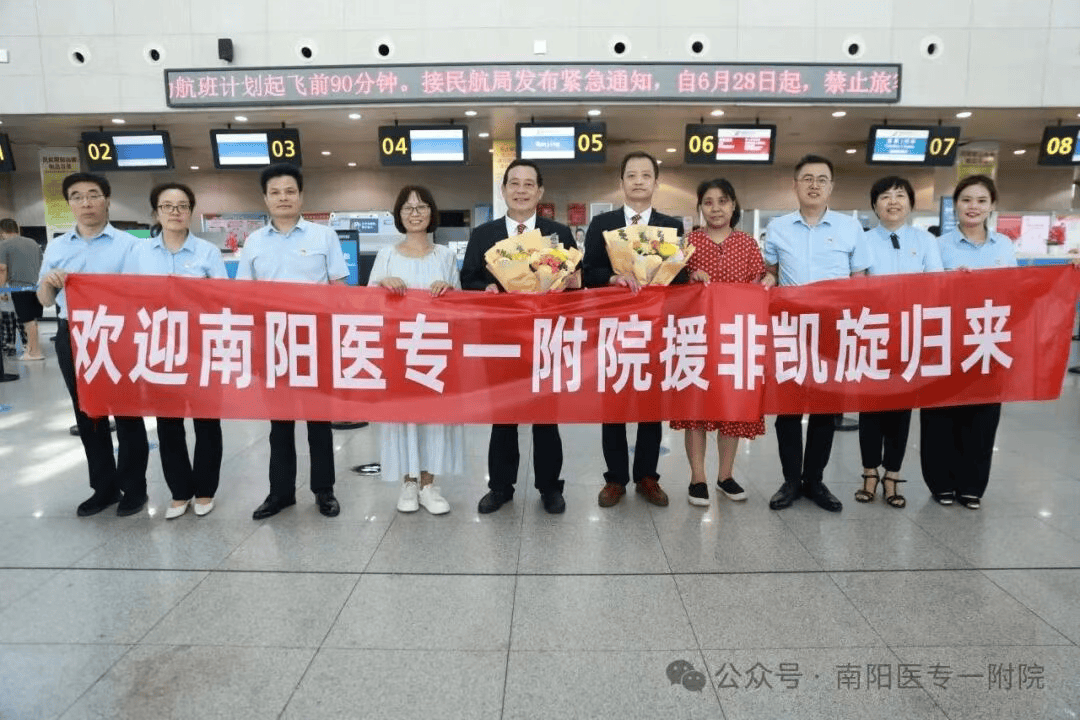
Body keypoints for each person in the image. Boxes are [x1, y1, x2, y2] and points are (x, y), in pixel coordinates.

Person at [460, 158, 579, 515]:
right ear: (504, 190)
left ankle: (550, 488)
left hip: (546, 338)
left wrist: (569, 283)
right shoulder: (484, 234)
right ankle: (500, 487)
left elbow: (576, 284)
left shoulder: (558, 234)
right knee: (503, 417)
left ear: (540, 192)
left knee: (546, 417)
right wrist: (485, 288)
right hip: (501, 339)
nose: (521, 190)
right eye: (514, 183)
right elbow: (468, 278)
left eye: (529, 184)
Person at [236, 163, 348, 520]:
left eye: (289, 191)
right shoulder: (254, 241)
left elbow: (339, 288)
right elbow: (244, 296)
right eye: (275, 192)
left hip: (316, 341)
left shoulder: (324, 236)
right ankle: (280, 493)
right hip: (272, 343)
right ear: (265, 199)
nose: (283, 198)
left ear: (301, 196)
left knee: (319, 421)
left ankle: (324, 490)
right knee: (279, 424)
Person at [36, 172, 150, 517]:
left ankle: (134, 489)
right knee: (88, 413)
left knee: (127, 413)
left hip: (119, 334)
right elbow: (44, 299)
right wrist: (50, 284)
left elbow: (142, 294)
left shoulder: (130, 245)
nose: (86, 203)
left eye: (93, 195)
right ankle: (104, 488)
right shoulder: (57, 247)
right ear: (69, 203)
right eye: (77, 196)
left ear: (107, 200)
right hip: (73, 335)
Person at [763, 154, 870, 513]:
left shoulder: (849, 227)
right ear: (795, 185)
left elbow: (860, 278)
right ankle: (791, 480)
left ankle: (815, 480)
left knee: (826, 409)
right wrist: (767, 280)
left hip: (833, 329)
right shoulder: (778, 227)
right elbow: (770, 272)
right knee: (788, 411)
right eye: (807, 178)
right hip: (790, 330)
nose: (814, 185)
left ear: (831, 187)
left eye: (822, 179)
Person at [583, 151, 684, 509]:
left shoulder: (671, 227)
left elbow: (681, 277)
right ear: (621, 182)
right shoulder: (602, 224)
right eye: (631, 175)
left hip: (655, 329)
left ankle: (647, 476)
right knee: (613, 404)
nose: (638, 181)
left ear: (656, 182)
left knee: (651, 404)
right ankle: (615, 479)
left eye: (645, 175)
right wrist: (613, 278)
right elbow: (588, 272)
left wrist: (666, 275)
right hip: (613, 327)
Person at [122, 183, 227, 519]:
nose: (175, 212)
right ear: (156, 212)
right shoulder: (139, 253)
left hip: (200, 348)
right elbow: (126, 296)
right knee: (168, 423)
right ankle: (179, 492)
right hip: (159, 350)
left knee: (207, 421)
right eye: (167, 206)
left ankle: (206, 490)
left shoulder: (207, 252)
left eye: (182, 205)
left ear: (191, 211)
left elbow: (223, 298)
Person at [919, 174, 1016, 510]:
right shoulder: (938, 245)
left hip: (989, 342)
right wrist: (951, 284)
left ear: (992, 206)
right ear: (956, 205)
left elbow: (1017, 290)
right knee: (941, 416)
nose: (973, 207)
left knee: (982, 417)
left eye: (981, 201)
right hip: (946, 343)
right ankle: (941, 483)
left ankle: (972, 485)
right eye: (966, 200)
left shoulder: (1004, 246)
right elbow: (924, 293)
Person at [368, 185, 463, 515]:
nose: (415, 213)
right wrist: (382, 284)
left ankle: (428, 484)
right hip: (399, 350)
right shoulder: (386, 255)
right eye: (408, 208)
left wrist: (449, 289)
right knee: (402, 415)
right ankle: (407, 482)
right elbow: (366, 304)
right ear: (399, 215)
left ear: (431, 213)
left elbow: (461, 306)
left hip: (436, 350)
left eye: (422, 207)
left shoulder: (445, 256)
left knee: (434, 417)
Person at [672, 179, 766, 506]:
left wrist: (768, 280)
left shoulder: (748, 243)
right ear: (700, 207)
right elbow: (671, 285)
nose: (715, 208)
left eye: (722, 201)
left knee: (732, 408)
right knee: (696, 410)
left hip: (735, 339)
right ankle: (697, 478)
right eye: (708, 202)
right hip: (696, 337)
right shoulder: (689, 242)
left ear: (733, 205)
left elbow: (759, 282)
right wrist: (689, 278)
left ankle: (725, 476)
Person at [856, 176, 944, 510]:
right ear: (874, 204)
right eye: (885, 196)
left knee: (901, 410)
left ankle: (892, 474)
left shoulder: (925, 241)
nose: (893, 202)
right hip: (872, 334)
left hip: (910, 335)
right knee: (870, 409)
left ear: (910, 203)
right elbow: (855, 286)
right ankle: (869, 472)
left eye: (900, 195)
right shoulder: (863, 240)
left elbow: (936, 285)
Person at [0, 218, 44, 360]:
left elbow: (2, 270)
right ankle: (32, 349)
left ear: (2, 231)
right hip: (36, 287)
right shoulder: (32, 243)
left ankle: (34, 353)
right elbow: (41, 264)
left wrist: (2, 290)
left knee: (28, 321)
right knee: (32, 321)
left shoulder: (4, 245)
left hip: (19, 287)